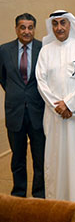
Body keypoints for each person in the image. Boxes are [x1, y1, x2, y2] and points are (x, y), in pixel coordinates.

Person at [35, 10, 75, 209]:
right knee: (55, 157)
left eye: (63, 23)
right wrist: (58, 106)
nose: (59, 27)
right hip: (54, 116)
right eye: (55, 24)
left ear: (70, 24)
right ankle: (57, 199)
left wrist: (69, 104)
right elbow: (40, 81)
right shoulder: (46, 51)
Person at [0, 13, 45, 198]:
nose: (26, 31)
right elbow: (3, 78)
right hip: (14, 111)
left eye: (30, 27)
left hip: (38, 112)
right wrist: (16, 93)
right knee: (17, 158)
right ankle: (18, 193)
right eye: (22, 27)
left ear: (34, 28)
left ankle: (39, 193)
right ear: (16, 29)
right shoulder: (4, 50)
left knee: (39, 158)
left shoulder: (44, 49)